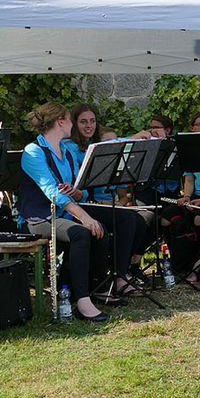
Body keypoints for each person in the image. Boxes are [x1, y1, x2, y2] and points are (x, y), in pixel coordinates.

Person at [19, 103, 140, 320]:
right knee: (82, 232)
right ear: (60, 122)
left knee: (124, 218)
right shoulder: (33, 151)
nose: (74, 124)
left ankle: (105, 284)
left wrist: (78, 194)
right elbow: (52, 192)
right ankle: (82, 301)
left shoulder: (65, 150)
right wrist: (84, 216)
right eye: (71, 119)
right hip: (40, 217)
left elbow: (81, 190)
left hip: (65, 212)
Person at [68, 103, 151, 293]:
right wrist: (132, 137)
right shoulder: (70, 146)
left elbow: (112, 144)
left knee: (138, 221)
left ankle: (121, 272)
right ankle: (118, 277)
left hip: (92, 202)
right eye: (83, 122)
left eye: (92, 121)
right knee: (127, 218)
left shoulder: (93, 143)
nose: (89, 126)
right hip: (78, 204)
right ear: (74, 124)